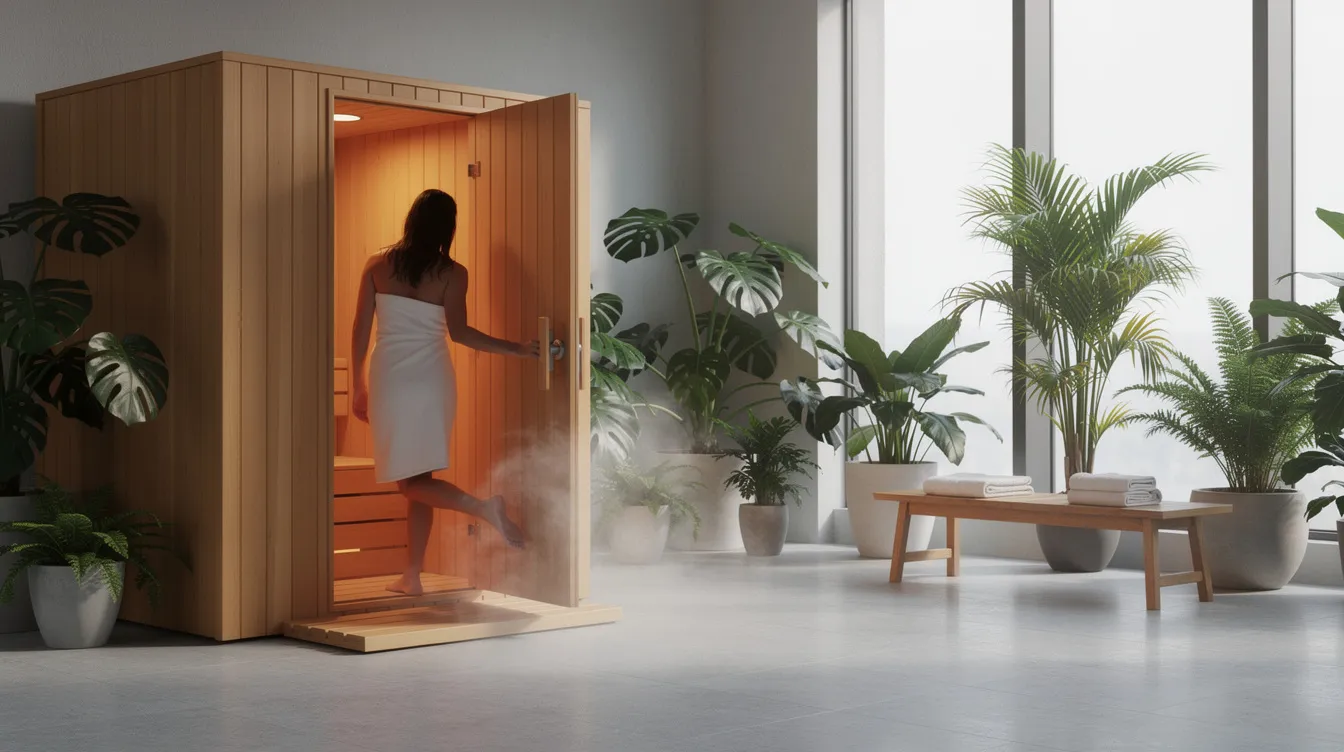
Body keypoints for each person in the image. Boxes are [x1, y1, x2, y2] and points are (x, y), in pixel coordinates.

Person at [350, 188, 536, 596]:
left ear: (411, 220)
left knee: (410, 481)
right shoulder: (454, 274)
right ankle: (412, 575)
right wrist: (516, 349)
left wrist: (356, 386)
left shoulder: (377, 266)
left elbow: (360, 332)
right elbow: (461, 333)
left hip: (392, 382)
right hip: (434, 381)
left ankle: (482, 508)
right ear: (447, 228)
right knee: (419, 478)